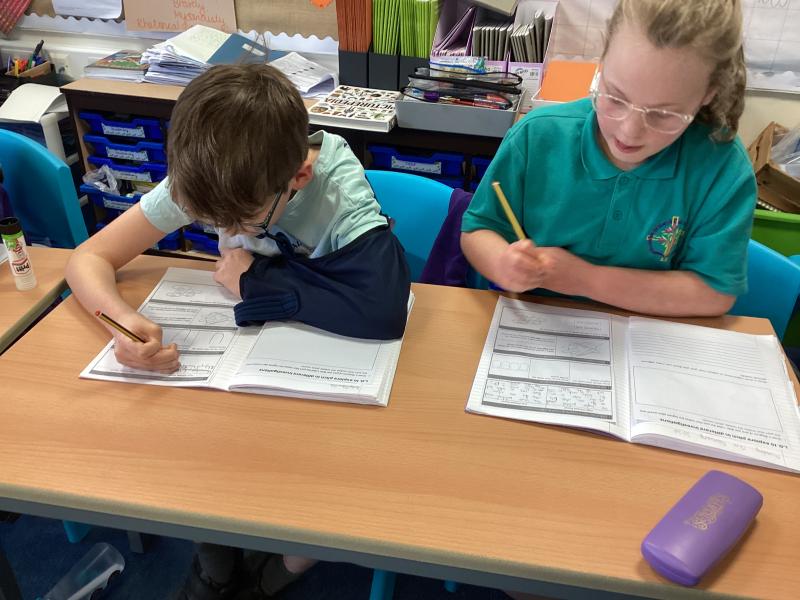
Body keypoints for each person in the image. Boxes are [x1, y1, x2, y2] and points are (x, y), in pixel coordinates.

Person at [65, 64, 410, 599]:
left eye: (244, 221)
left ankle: (273, 575)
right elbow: (88, 258)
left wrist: (255, 283)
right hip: (241, 366)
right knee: (193, 443)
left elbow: (382, 307)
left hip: (323, 373)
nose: (226, 232)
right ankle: (217, 564)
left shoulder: (334, 185)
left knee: (338, 474)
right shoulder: (212, 175)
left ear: (298, 177)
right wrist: (120, 323)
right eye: (210, 222)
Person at [461, 0, 755, 318]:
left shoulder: (722, 167)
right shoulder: (537, 137)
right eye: (615, 97)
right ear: (601, 62)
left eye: (663, 114)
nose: (629, 132)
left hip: (647, 337)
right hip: (533, 326)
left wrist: (585, 280)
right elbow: (478, 230)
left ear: (708, 94)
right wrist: (502, 263)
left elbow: (714, 292)